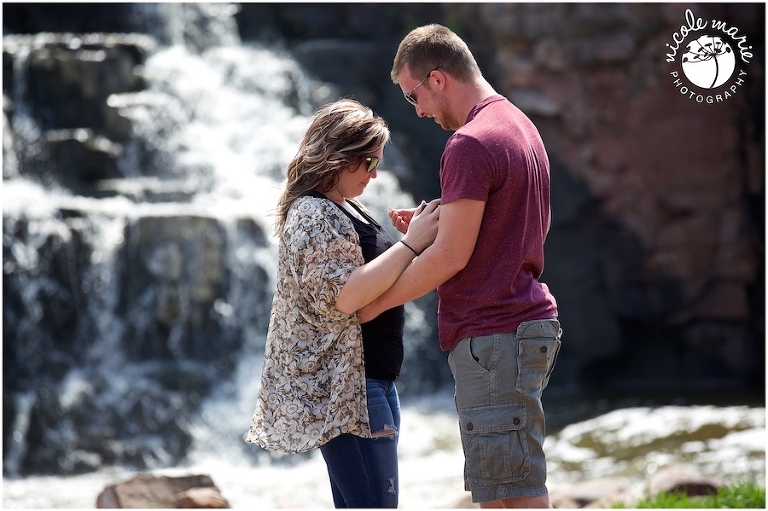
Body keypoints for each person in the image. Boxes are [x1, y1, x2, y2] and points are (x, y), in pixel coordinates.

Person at [359, 24, 562, 508]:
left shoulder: (469, 143)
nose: (418, 111)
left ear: (438, 78)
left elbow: (451, 257)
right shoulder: (519, 125)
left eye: (413, 96)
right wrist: (442, 220)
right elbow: (513, 225)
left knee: (507, 499)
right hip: (523, 328)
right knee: (514, 489)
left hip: (493, 336)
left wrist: (372, 305)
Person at [245, 98, 440, 508]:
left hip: (371, 383)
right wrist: (409, 243)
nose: (374, 173)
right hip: (349, 390)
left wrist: (413, 240)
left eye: (377, 163)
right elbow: (345, 296)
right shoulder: (313, 212)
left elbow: (379, 277)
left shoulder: (345, 207)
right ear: (338, 156)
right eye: (368, 162)